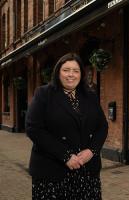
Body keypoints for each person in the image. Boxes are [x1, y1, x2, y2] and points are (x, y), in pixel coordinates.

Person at [26, 53, 108, 200]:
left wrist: (92, 151)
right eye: (66, 70)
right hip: (52, 173)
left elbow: (102, 127)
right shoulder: (44, 94)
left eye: (76, 71)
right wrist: (65, 156)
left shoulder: (90, 95)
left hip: (86, 172)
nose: (71, 74)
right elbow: (33, 128)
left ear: (81, 74)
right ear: (58, 72)